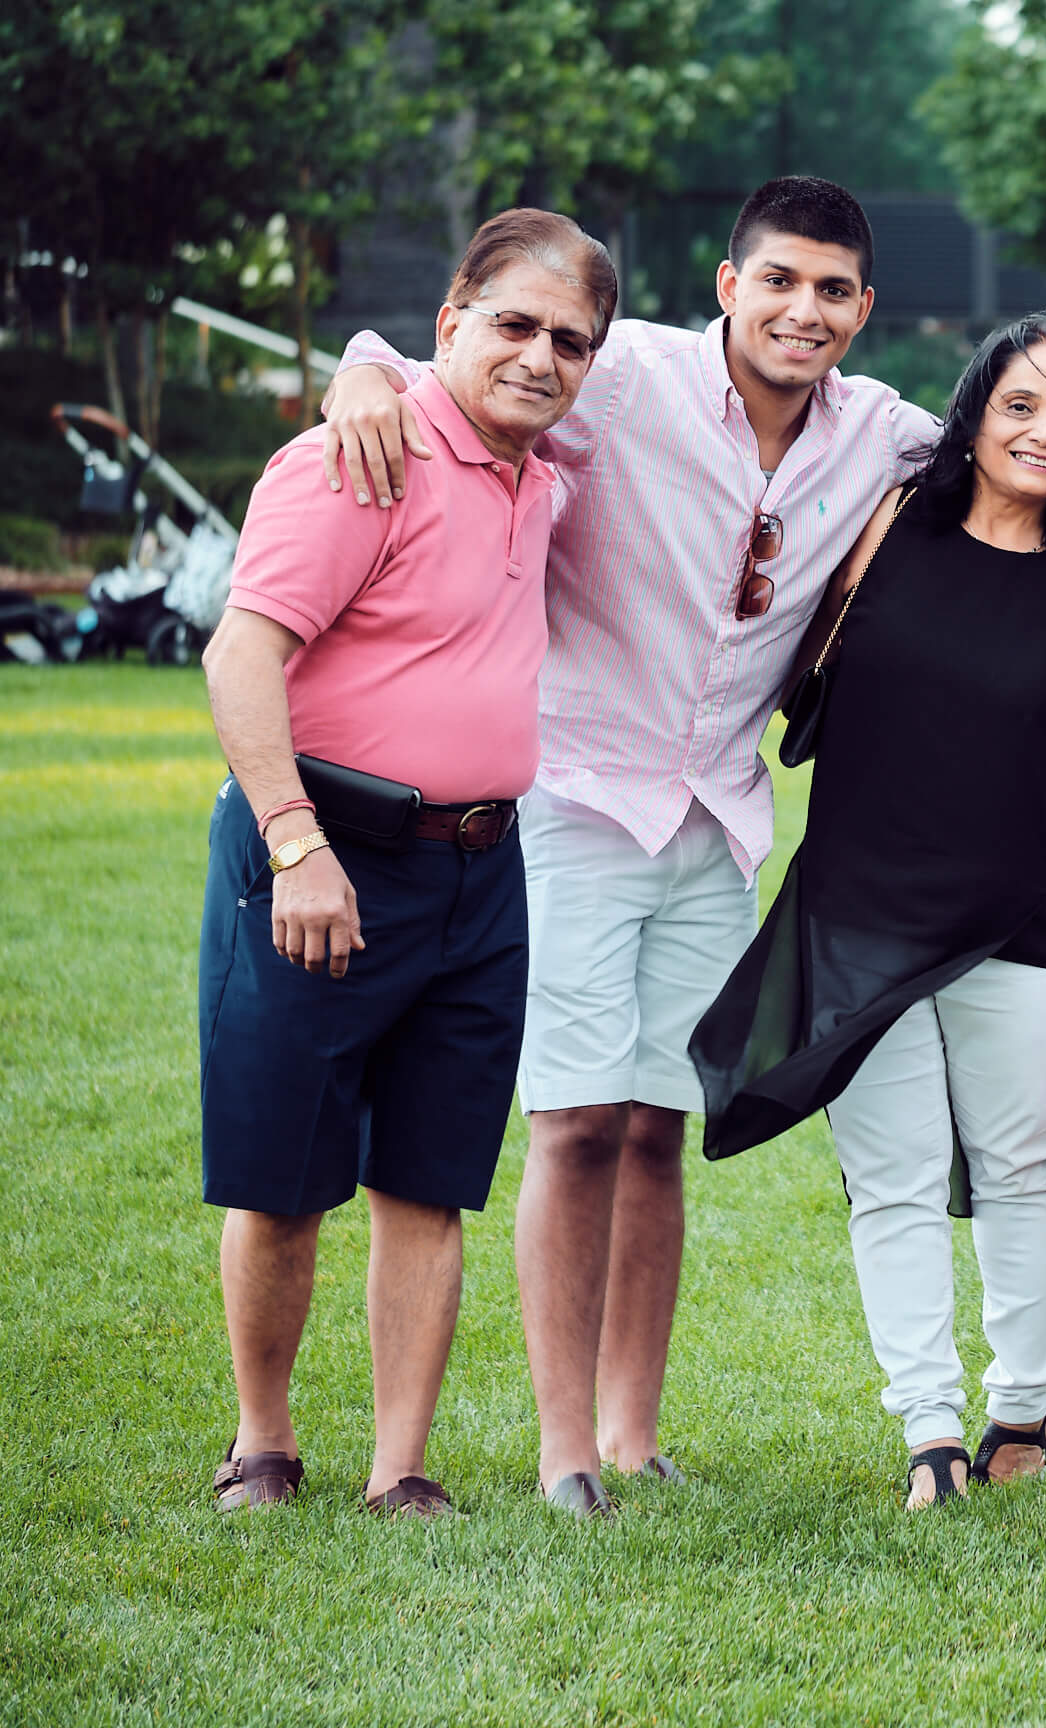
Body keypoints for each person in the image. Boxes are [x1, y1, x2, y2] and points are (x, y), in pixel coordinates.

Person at [319, 179, 1046, 1516]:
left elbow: (1031, 440)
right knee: (573, 1123)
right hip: (583, 799)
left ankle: (633, 1433)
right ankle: (562, 1457)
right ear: (730, 284)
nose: (804, 310)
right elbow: (466, 362)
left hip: (718, 816)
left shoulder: (880, 432)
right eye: (779, 280)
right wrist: (361, 378)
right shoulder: (623, 378)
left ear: (862, 310)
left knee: (657, 1129)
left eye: (833, 290)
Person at [691, 311, 1046, 1507]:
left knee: (1023, 1164)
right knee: (891, 1175)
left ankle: (1021, 1413)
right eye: (1020, 405)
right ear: (973, 412)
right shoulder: (887, 521)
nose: (1043, 433)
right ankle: (929, 1431)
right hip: (861, 906)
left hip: (1029, 916)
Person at [197, 209, 608, 1519]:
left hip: (484, 872)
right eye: (513, 325)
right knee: (283, 1173)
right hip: (325, 851)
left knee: (432, 1178)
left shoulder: (544, 482)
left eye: (570, 341)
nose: (540, 358)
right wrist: (297, 843)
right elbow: (240, 653)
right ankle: (263, 1443)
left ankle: (401, 1470)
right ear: (449, 324)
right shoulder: (352, 459)